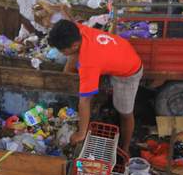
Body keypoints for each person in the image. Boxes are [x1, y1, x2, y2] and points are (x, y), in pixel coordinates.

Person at [47, 20, 142, 154]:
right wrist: (66, 76)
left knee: (125, 111)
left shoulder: (89, 63)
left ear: (74, 45)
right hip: (119, 51)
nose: (61, 53)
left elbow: (85, 101)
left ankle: (125, 148)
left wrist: (81, 133)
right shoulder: (78, 30)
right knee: (75, 62)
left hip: (129, 72)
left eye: (62, 50)